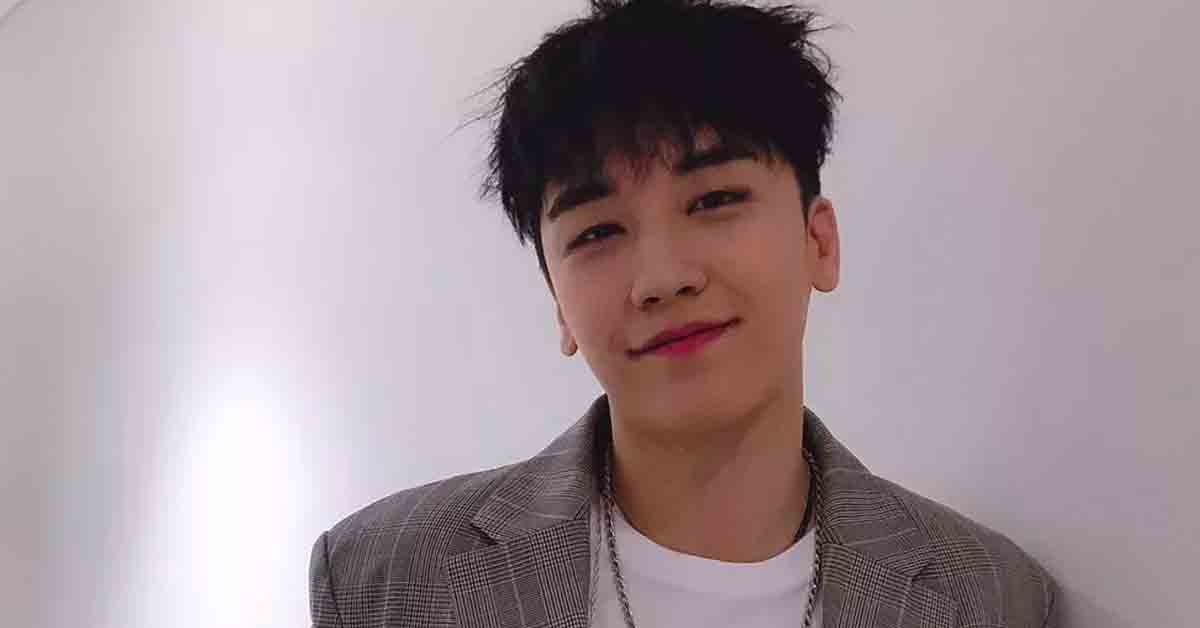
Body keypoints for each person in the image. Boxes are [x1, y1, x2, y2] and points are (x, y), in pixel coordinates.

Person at [309, 1, 1059, 626]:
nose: (663, 279)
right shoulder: (382, 578)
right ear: (558, 303)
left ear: (819, 242)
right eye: (596, 233)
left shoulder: (992, 598)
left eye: (715, 200)